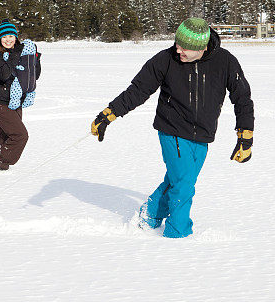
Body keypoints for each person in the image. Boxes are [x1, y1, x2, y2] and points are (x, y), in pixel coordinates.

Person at [90, 18, 254, 238]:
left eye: (184, 46)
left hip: (204, 135)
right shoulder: (165, 60)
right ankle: (177, 234)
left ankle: (148, 217)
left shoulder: (225, 62)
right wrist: (108, 115)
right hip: (172, 130)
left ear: (202, 47)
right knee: (184, 185)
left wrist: (245, 137)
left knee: (178, 179)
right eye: (177, 43)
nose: (178, 50)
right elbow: (137, 90)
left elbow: (242, 98)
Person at [0, 20, 41, 171]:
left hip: (16, 102)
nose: (8, 40)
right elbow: (4, 74)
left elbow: (35, 76)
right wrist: (16, 53)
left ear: (16, 37)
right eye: (4, 37)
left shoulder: (22, 53)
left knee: (7, 138)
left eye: (11, 36)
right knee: (20, 135)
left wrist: (34, 59)